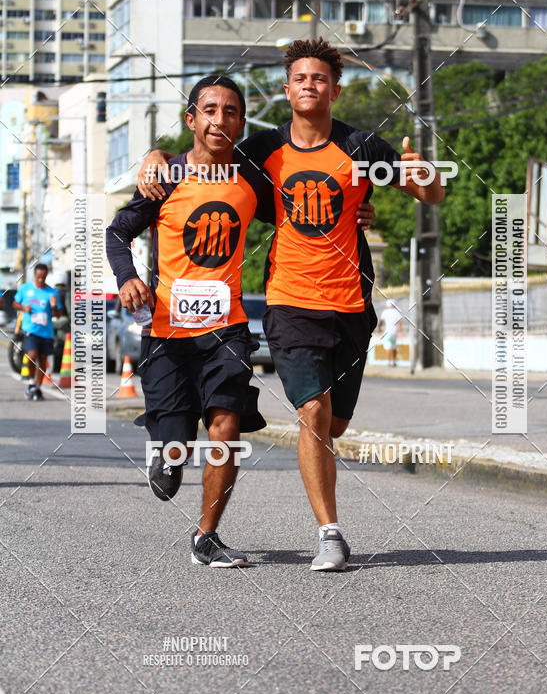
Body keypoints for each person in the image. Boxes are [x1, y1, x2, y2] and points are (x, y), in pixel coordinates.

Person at [138, 38, 444, 572]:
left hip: (351, 302)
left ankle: (305, 514)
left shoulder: (363, 146)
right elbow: (205, 150)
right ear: (287, 90)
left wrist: (424, 174)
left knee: (336, 424)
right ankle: (330, 535)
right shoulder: (260, 149)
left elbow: (431, 196)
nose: (309, 85)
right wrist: (156, 155)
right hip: (288, 301)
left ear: (335, 89)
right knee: (312, 412)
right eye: (300, 78)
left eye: (319, 78)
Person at [106, 75, 275, 568]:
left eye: (230, 111)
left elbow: (302, 214)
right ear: (192, 119)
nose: (219, 119)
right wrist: (126, 278)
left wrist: (360, 211)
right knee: (177, 446)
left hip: (228, 328)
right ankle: (167, 451)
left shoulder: (251, 182)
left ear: (241, 123)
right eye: (209, 110)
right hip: (166, 332)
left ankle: (207, 536)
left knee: (227, 424)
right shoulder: (166, 178)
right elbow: (118, 232)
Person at [13, 263, 61, 401]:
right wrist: (23, 307)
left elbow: (58, 314)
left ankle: (37, 388)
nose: (41, 279)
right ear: (35, 275)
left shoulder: (52, 293)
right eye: (39, 277)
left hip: (46, 333)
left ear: (46, 276)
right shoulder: (25, 288)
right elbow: (14, 304)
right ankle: (31, 382)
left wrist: (53, 306)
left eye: (43, 277)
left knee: (43, 360)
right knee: (32, 355)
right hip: (30, 331)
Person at [379, 300, 403, 366]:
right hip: (394, 332)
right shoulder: (396, 312)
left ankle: (389, 362)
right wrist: (400, 331)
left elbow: (381, 321)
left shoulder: (385, 312)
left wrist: (379, 328)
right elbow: (399, 322)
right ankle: (394, 361)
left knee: (388, 347)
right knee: (394, 347)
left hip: (387, 332)